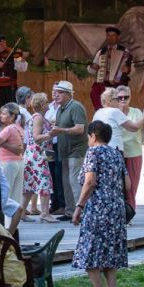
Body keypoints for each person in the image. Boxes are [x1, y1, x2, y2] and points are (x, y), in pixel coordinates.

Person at [71, 120, 129, 287]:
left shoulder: (93, 152)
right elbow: (127, 185)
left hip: (97, 208)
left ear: (93, 136)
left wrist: (79, 206)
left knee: (88, 250)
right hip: (117, 207)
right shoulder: (116, 153)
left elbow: (90, 182)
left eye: (88, 136)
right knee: (110, 251)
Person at [47, 81, 87, 221]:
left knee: (75, 181)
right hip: (63, 151)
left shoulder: (76, 107)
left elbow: (80, 129)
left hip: (76, 150)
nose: (56, 95)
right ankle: (70, 212)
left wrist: (61, 130)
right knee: (66, 182)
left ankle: (81, 213)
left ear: (69, 94)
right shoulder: (61, 108)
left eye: (60, 92)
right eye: (56, 92)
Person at [114, 87, 144, 210]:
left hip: (133, 152)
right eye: (120, 97)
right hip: (116, 153)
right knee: (116, 185)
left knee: (131, 186)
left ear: (130, 97)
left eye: (125, 97)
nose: (123, 99)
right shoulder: (113, 112)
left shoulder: (136, 112)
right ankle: (118, 212)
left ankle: (130, 212)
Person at [22, 93, 55, 222]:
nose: (49, 104)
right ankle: (45, 213)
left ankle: (21, 212)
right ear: (42, 104)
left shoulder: (37, 117)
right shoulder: (38, 118)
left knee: (30, 184)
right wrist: (51, 134)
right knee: (45, 182)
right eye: (46, 102)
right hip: (38, 155)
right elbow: (36, 137)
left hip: (32, 154)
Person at [0, 103, 25, 206]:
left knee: (6, 194)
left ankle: (6, 216)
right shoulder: (19, 127)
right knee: (16, 196)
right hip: (19, 162)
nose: (0, 116)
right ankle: (15, 216)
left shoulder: (8, 129)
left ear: (12, 117)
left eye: (4, 113)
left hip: (8, 163)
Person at [88, 26, 133, 111]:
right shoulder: (101, 52)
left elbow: (130, 68)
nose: (110, 38)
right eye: (108, 35)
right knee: (95, 91)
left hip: (118, 82)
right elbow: (91, 70)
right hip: (104, 82)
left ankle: (117, 112)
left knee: (119, 93)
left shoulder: (125, 52)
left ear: (117, 37)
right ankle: (100, 112)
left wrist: (127, 69)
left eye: (113, 36)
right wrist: (93, 67)